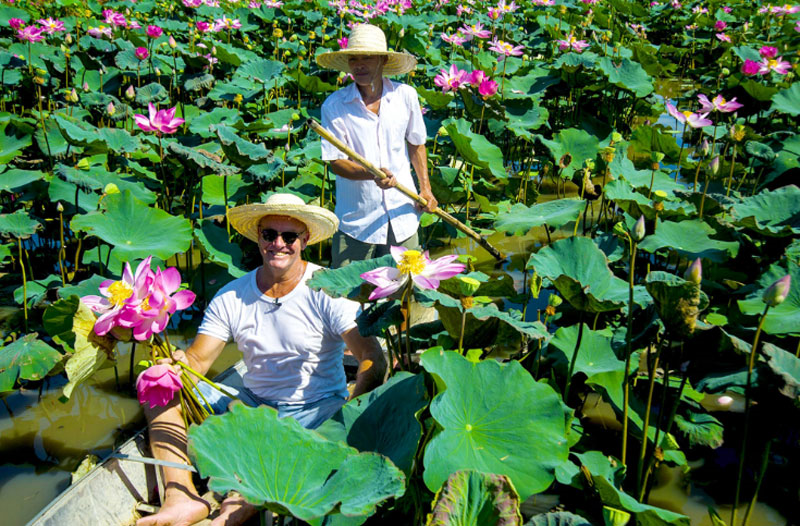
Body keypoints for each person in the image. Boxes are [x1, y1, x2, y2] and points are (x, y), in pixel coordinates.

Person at [137, 193, 387, 526]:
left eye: (289, 237)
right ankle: (180, 495)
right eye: (270, 234)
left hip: (315, 411)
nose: (278, 244)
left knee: (285, 450)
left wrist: (352, 412)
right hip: (250, 405)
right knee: (155, 384)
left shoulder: (326, 289)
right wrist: (178, 365)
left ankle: (233, 508)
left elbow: (371, 356)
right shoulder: (232, 295)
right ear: (259, 237)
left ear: (305, 240)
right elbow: (198, 360)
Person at [317, 23, 438, 268]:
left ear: (383, 60)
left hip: (403, 215)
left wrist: (425, 189)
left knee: (406, 293)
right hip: (357, 223)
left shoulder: (406, 96)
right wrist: (371, 174)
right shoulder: (335, 105)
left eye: (367, 58)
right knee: (348, 298)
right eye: (354, 59)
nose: (359, 65)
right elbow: (336, 162)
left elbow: (416, 144)